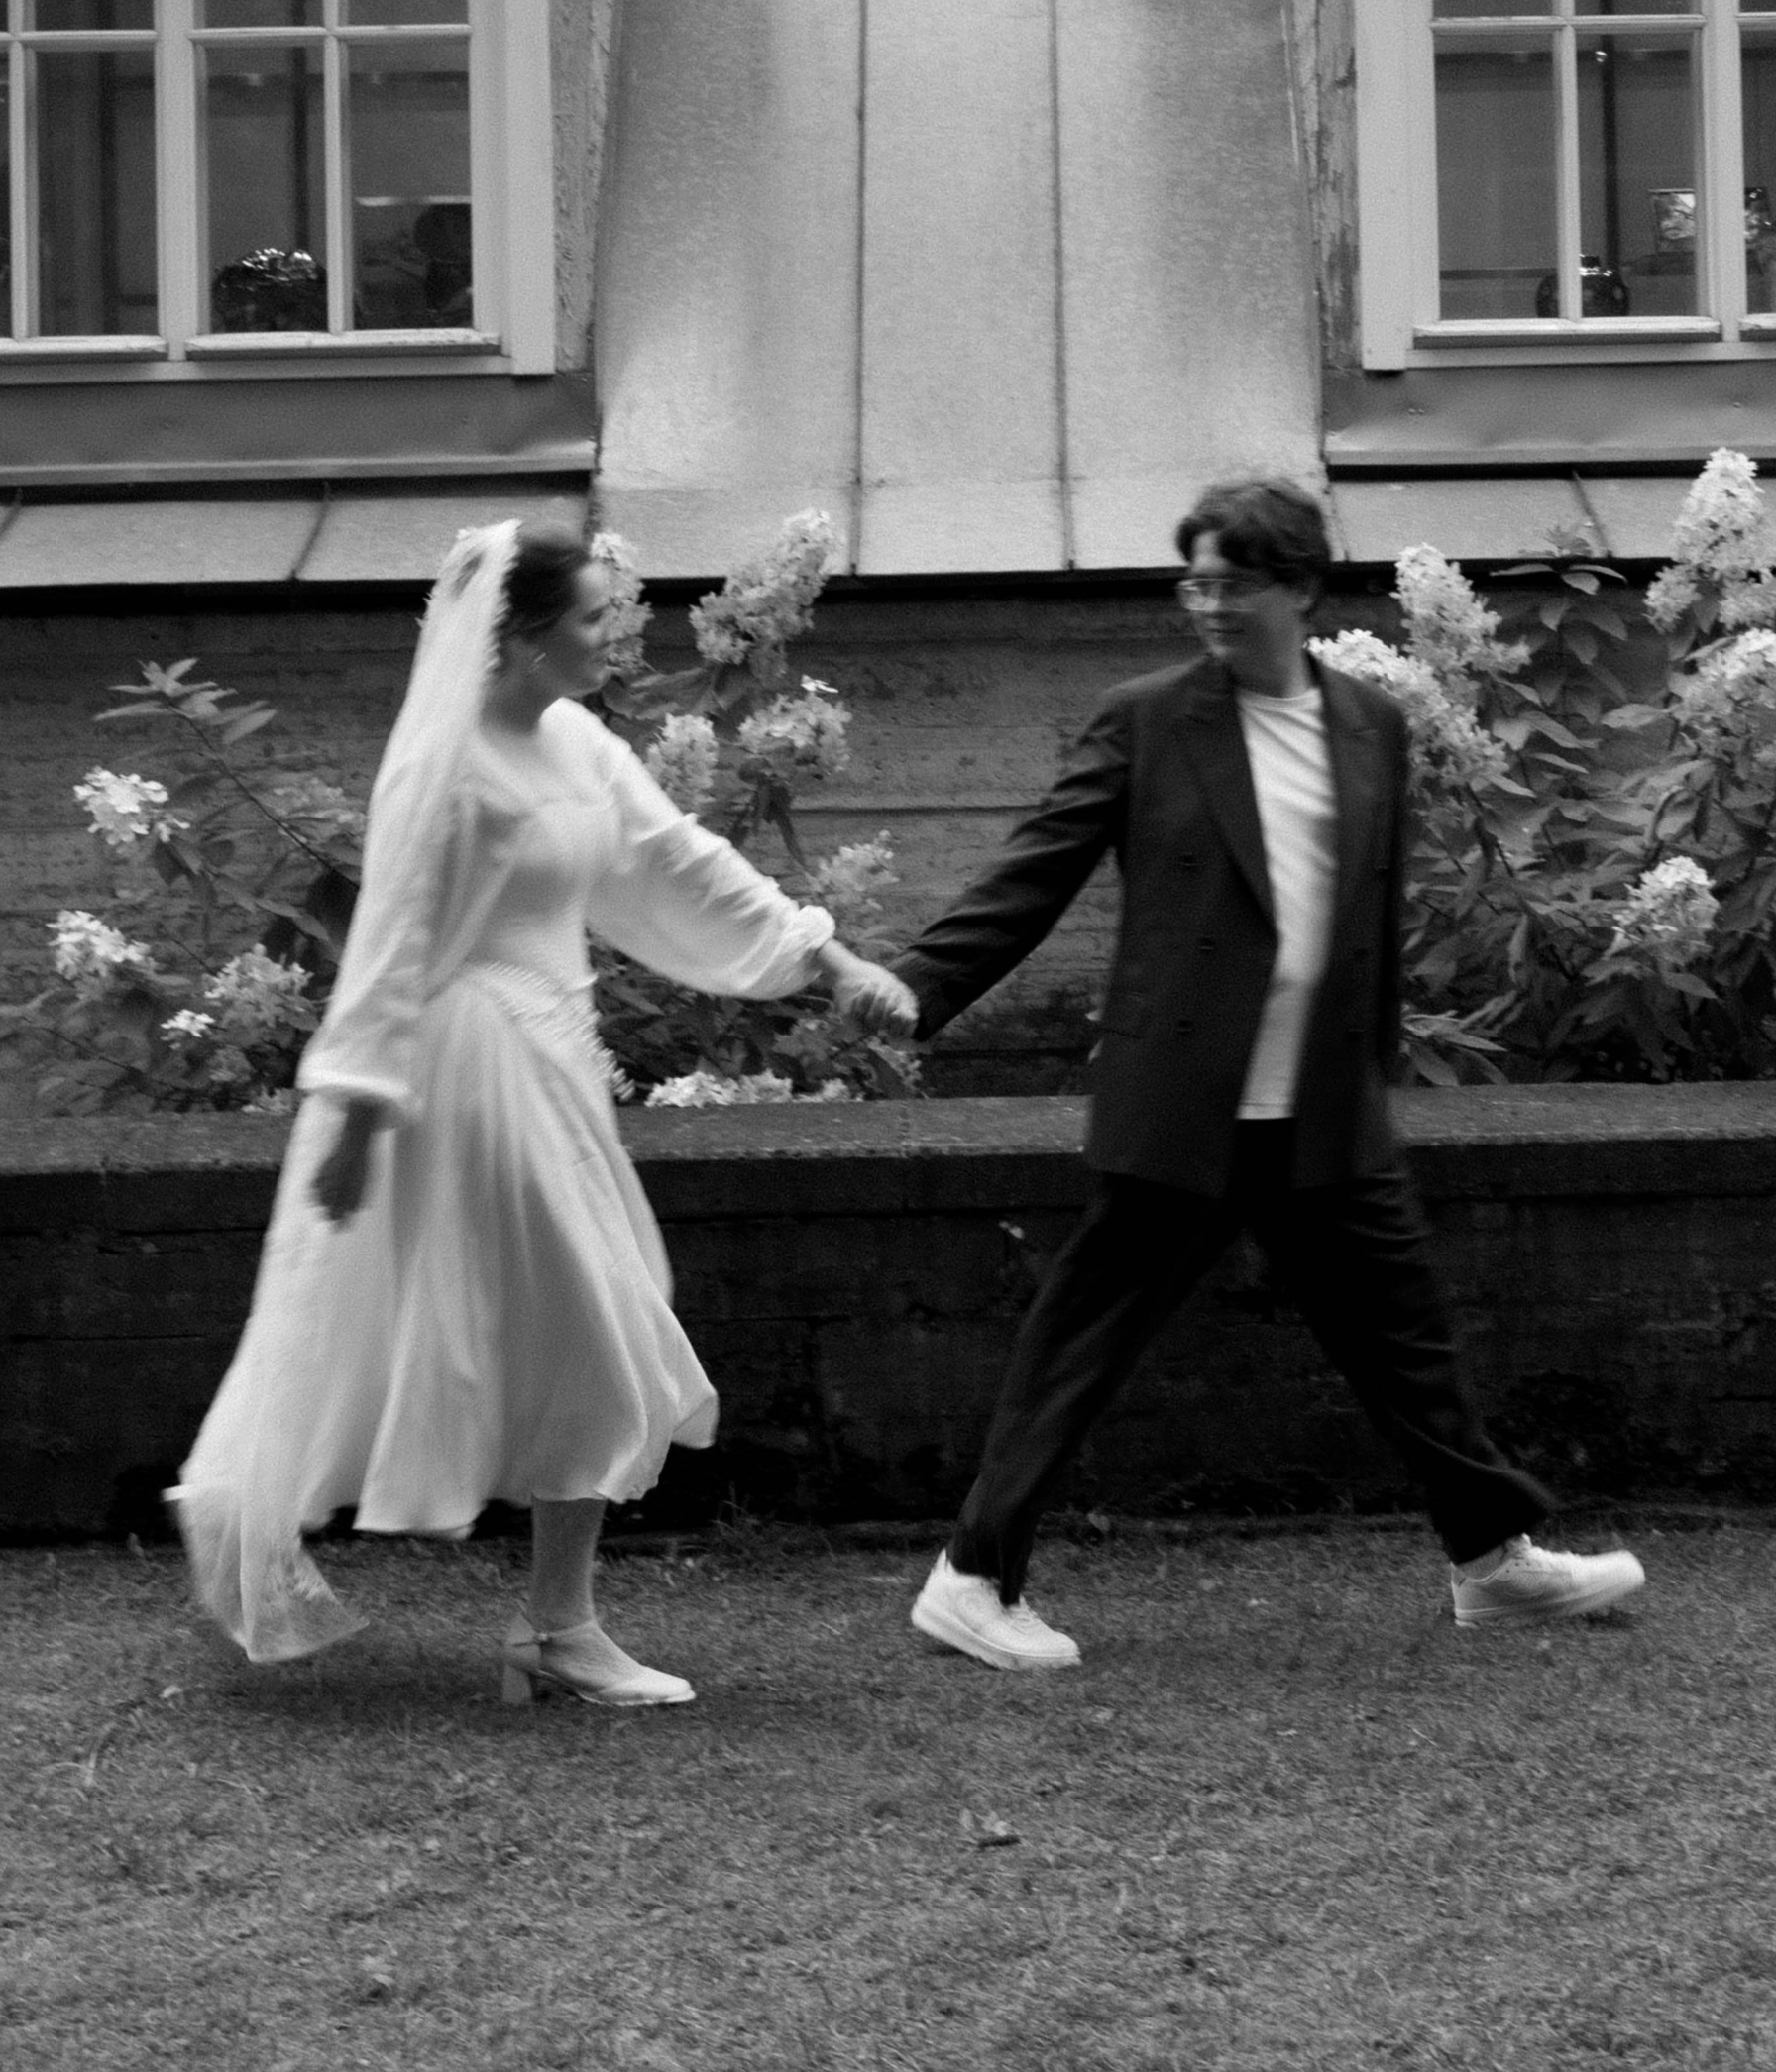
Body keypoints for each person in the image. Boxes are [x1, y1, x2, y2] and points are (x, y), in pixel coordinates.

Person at [890, 476, 1645, 1671]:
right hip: (1188, 1098)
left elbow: (1371, 907)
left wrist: (1373, 1067)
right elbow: (1036, 870)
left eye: (1233, 583)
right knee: (1082, 1343)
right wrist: (919, 986)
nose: (1208, 605)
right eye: (1194, 582)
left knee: (1404, 1338)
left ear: (1299, 587)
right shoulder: (1147, 721)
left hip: (1324, 1103)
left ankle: (1492, 1562)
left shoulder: (1371, 725)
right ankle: (973, 1579)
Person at [173, 520, 915, 1704]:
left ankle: (556, 1624)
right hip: (465, 1081)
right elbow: (391, 946)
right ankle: (557, 1628)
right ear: (518, 636)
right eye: (590, 617)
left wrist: (828, 960)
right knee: (600, 1328)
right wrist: (356, 1120)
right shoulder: (446, 767)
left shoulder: (573, 739)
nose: (612, 636)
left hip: (555, 1067)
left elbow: (679, 859)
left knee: (589, 1328)